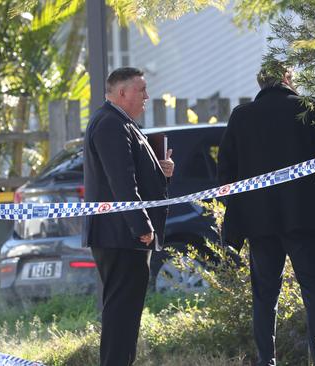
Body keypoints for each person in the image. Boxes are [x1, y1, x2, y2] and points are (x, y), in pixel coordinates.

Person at [217, 60, 315, 365]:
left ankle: (266, 361)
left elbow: (225, 173)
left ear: (260, 82)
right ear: (287, 79)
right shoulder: (305, 109)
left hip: (259, 223)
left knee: (265, 297)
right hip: (303, 217)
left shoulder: (241, 116)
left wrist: (242, 210)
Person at [82, 67, 174, 365]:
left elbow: (132, 173)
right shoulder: (110, 123)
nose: (147, 96)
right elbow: (121, 181)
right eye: (141, 90)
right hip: (121, 236)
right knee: (121, 316)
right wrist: (141, 225)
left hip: (123, 235)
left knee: (126, 316)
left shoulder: (121, 122)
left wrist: (161, 170)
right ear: (122, 93)